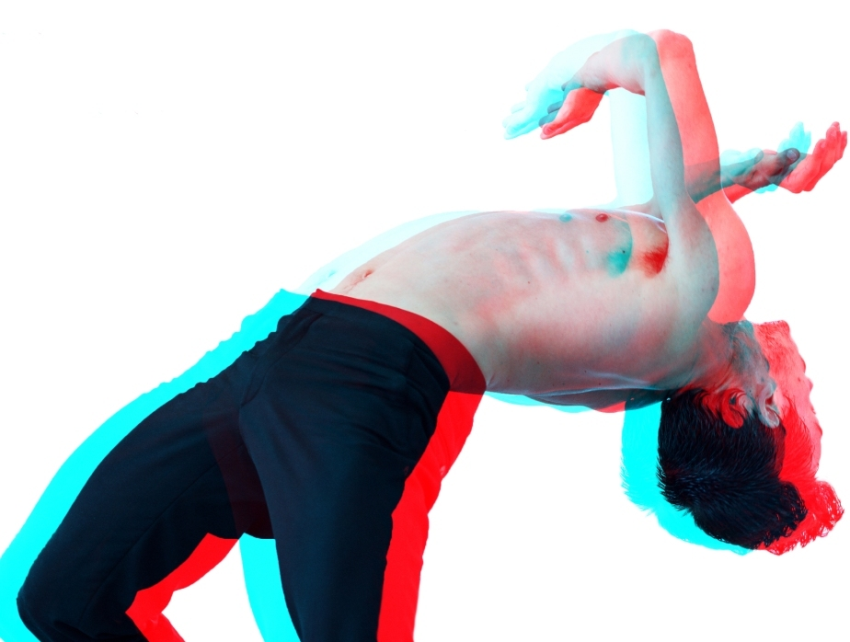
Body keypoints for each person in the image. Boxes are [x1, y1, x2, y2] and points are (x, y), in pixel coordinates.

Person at [16, 30, 844, 642]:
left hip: (354, 388)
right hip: (274, 361)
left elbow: (657, 53)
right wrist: (753, 173)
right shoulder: (622, 371)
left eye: (808, 409)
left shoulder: (698, 297)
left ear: (745, 405)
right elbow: (659, 208)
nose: (810, 384)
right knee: (59, 603)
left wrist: (575, 79)